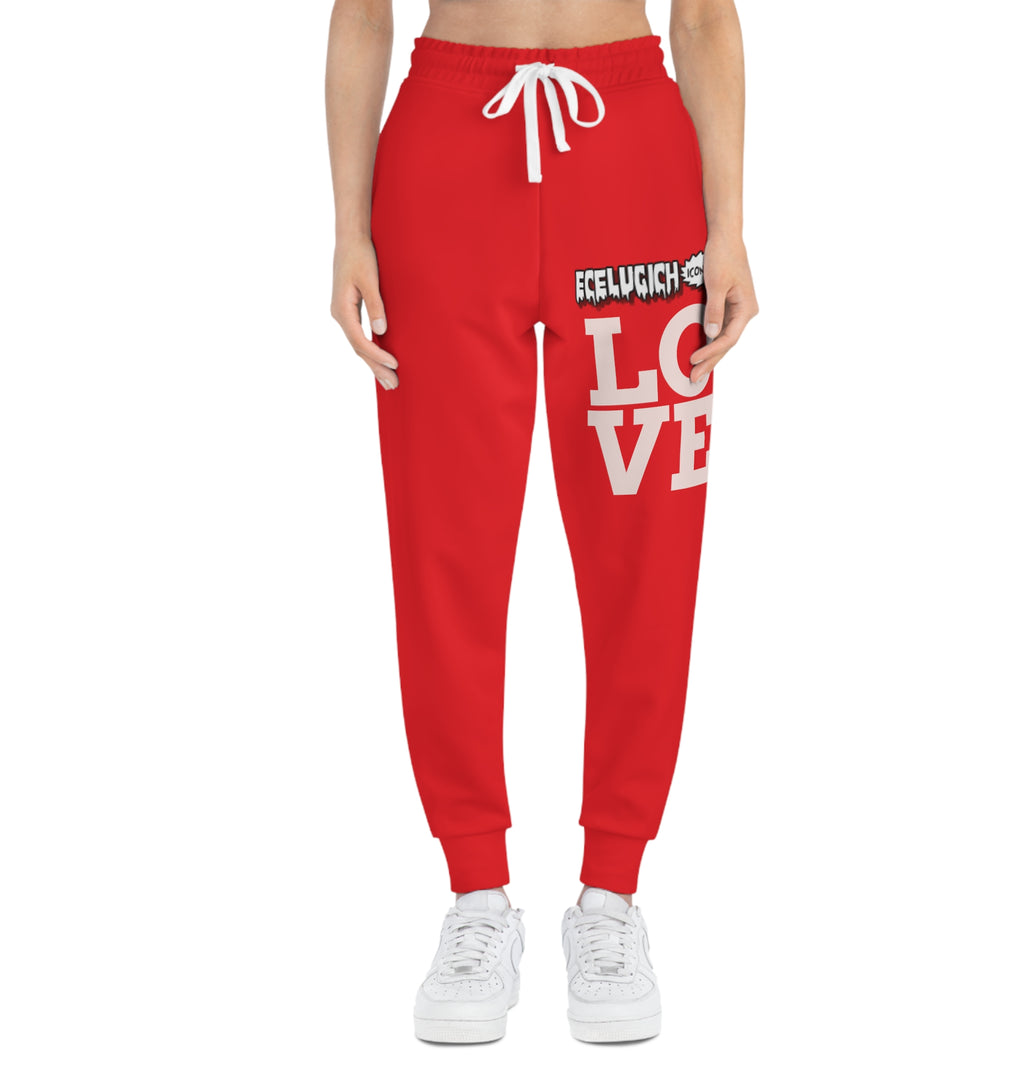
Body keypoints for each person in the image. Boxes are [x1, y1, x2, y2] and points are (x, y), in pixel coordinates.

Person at [325, 0, 758, 1044]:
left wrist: (729, 223)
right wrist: (347, 226)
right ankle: (476, 892)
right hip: (445, 155)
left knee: (646, 542)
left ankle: (612, 894)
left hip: (633, 156)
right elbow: (361, 13)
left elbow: (703, 15)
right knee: (442, 539)